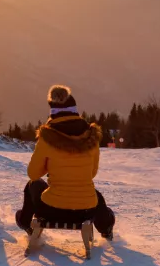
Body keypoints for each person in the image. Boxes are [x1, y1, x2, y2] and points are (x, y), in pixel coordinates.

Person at [16, 85, 115, 240]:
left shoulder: (47, 138)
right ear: (75, 111)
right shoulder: (91, 137)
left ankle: (25, 222)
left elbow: (33, 174)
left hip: (52, 210)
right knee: (94, 195)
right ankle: (106, 227)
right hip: (85, 212)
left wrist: (50, 167)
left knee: (32, 185)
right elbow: (92, 173)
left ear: (53, 114)